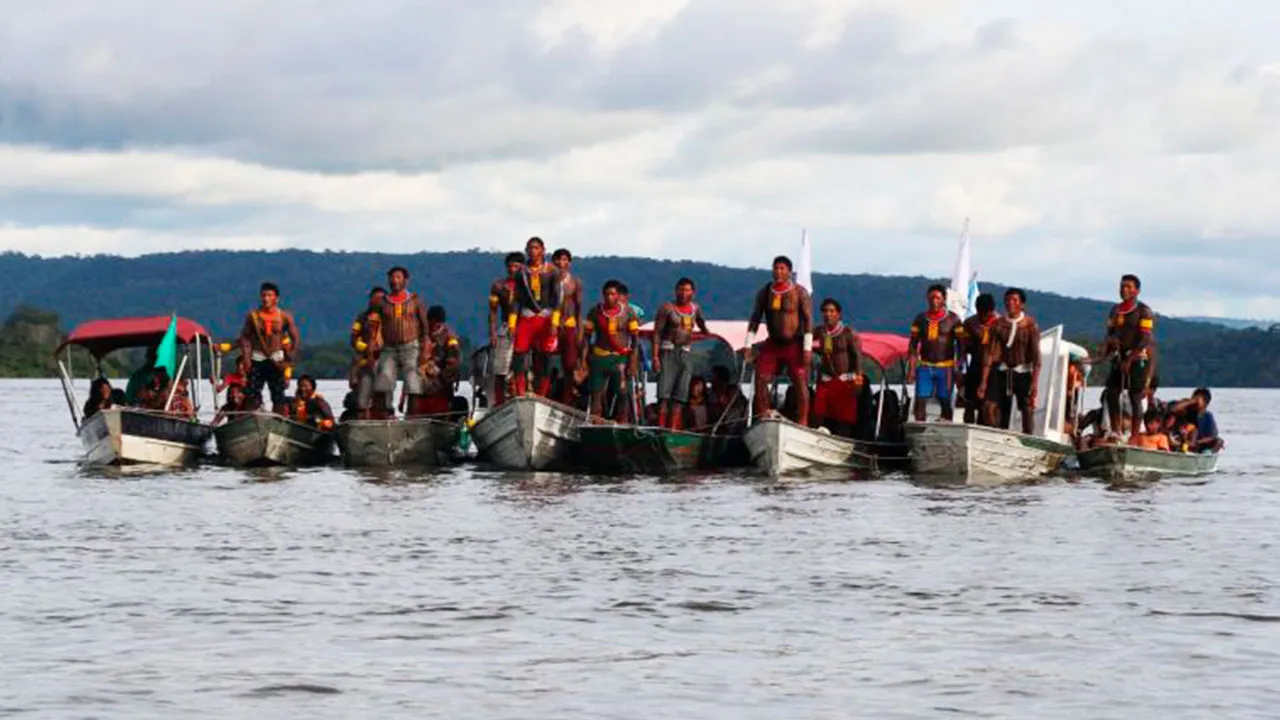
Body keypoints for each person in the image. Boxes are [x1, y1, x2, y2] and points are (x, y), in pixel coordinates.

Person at [746, 255, 813, 424]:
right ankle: (764, 416)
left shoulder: (799, 292)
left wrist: (807, 348)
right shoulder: (765, 292)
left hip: (794, 343)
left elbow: (808, 320)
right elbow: (755, 318)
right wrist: (748, 345)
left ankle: (802, 421)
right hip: (773, 343)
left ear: (789, 272)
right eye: (775, 268)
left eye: (782, 268)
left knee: (799, 382)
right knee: (760, 378)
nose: (778, 271)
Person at [367, 266, 430, 417]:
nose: (394, 281)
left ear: (405, 280)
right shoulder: (381, 302)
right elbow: (373, 326)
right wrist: (371, 347)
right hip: (389, 347)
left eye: (398, 277)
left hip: (411, 346)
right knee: (383, 381)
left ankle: (412, 418)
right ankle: (383, 417)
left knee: (413, 383)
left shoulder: (415, 300)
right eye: (392, 277)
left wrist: (425, 347)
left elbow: (425, 326)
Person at [1102, 274, 1156, 440]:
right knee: (1111, 392)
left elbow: (1146, 338)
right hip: (1119, 357)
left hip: (1138, 358)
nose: (1124, 289)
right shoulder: (1115, 310)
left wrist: (1130, 358)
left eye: (1128, 287)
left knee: (1135, 396)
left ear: (1137, 291)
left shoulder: (1144, 311)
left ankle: (1134, 436)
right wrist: (1110, 344)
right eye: (1122, 286)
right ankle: (1116, 431)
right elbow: (1110, 332)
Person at [979, 288, 1041, 434]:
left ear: (1022, 305)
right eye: (1007, 300)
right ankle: (996, 434)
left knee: (1027, 408)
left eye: (1014, 300)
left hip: (1023, 372)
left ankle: (1027, 438)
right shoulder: (998, 324)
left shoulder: (1030, 325)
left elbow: (1036, 357)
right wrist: (983, 381)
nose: (1010, 303)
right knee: (988, 406)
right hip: (1003, 371)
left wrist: (1034, 382)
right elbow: (989, 354)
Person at [651, 277, 710, 429]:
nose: (684, 293)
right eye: (681, 290)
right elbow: (657, 333)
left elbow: (702, 324)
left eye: (687, 290)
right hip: (668, 351)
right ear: (676, 291)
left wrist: (705, 332)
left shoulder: (695, 309)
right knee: (664, 395)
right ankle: (661, 428)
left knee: (680, 395)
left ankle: (672, 429)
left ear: (693, 292)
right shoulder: (667, 308)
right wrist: (655, 357)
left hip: (685, 353)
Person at [579, 279, 639, 422]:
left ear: (618, 296)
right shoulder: (595, 311)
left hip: (620, 358)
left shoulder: (629, 312)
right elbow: (586, 338)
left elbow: (635, 340)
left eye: (612, 294)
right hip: (599, 357)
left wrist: (633, 362)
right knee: (596, 392)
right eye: (606, 294)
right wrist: (583, 361)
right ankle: (596, 422)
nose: (609, 297)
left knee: (623, 393)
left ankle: (622, 423)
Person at [237, 281, 301, 413]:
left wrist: (289, 360)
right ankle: (252, 418)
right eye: (263, 295)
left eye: (269, 295)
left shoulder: (284, 316)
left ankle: (278, 421)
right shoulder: (253, 316)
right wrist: (246, 359)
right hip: (257, 358)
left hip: (276, 359)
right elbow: (244, 337)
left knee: (278, 396)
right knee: (252, 393)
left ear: (276, 298)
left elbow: (295, 338)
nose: (266, 298)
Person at [511, 237, 562, 397]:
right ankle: (520, 390)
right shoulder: (521, 273)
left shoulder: (552, 271)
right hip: (527, 316)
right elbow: (516, 300)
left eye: (536, 248)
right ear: (526, 251)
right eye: (530, 248)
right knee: (519, 353)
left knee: (546, 355)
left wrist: (554, 322)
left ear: (543, 250)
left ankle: (542, 393)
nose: (533, 251)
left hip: (546, 318)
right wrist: (512, 324)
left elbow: (558, 298)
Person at [907, 284, 965, 422]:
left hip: (946, 368)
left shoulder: (954, 320)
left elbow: (962, 345)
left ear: (944, 299)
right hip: (925, 366)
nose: (934, 301)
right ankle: (920, 430)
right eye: (931, 298)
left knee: (945, 401)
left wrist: (958, 367)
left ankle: (945, 430)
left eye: (938, 298)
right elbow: (913, 346)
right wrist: (912, 369)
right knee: (920, 400)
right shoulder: (920, 319)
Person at [810, 298, 863, 438]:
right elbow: (803, 338)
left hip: (845, 379)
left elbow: (857, 357)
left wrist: (858, 380)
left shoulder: (848, 332)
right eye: (825, 311)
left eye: (832, 311)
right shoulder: (819, 331)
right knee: (818, 412)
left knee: (843, 418)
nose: (828, 314)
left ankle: (843, 442)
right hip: (826, 379)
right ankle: (815, 438)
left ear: (839, 314)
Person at [406, 305, 463, 416]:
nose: (436, 325)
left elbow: (453, 362)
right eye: (433, 321)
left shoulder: (449, 338)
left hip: (440, 384)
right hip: (419, 383)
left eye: (439, 322)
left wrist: (440, 378)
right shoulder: (419, 336)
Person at [487, 252, 524, 406]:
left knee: (522, 367)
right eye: (510, 266)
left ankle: (522, 398)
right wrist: (493, 332)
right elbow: (493, 312)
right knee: (500, 369)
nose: (512, 269)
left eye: (516, 266)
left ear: (523, 268)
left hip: (524, 327)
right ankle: (499, 402)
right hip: (505, 329)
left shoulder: (529, 287)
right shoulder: (498, 286)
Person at [960, 293, 999, 425]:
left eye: (987, 315)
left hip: (995, 368)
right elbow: (962, 348)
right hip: (975, 366)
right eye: (981, 314)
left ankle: (990, 433)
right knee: (969, 403)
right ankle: (968, 430)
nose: (983, 318)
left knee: (988, 406)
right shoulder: (970, 323)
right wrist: (959, 368)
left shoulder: (1001, 323)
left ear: (992, 311)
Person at [553, 248, 584, 404]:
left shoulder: (575, 282)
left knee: (569, 365)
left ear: (569, 263)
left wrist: (579, 332)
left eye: (564, 260)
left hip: (569, 325)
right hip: (551, 325)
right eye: (558, 259)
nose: (561, 263)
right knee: (544, 361)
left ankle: (567, 398)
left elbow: (579, 309)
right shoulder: (548, 279)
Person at [349, 286, 385, 417]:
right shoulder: (362, 317)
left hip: (384, 361)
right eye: (375, 299)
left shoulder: (389, 318)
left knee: (382, 397)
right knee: (362, 396)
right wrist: (367, 348)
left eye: (381, 299)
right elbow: (353, 339)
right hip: (364, 361)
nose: (378, 302)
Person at [1166, 387, 1223, 453]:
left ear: (1206, 403)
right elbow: (1172, 409)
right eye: (1194, 398)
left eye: (1198, 399)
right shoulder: (1188, 410)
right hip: (1183, 439)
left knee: (1219, 441)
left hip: (1198, 443)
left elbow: (1213, 436)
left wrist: (1198, 442)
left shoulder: (1208, 416)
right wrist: (1190, 401)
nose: (1195, 402)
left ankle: (1206, 456)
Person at [709, 364, 747, 434]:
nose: (711, 381)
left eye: (714, 378)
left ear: (721, 380)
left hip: (734, 431)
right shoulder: (711, 396)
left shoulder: (733, 394)